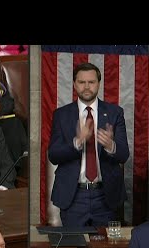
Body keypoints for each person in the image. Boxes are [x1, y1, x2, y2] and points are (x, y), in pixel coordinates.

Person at [48, 62, 130, 227]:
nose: (86, 87)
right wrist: (78, 142)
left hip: (105, 196)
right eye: (81, 82)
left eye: (91, 82)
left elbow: (124, 154)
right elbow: (54, 155)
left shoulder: (115, 113)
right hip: (73, 196)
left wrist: (110, 145)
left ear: (98, 84)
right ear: (74, 84)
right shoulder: (61, 115)